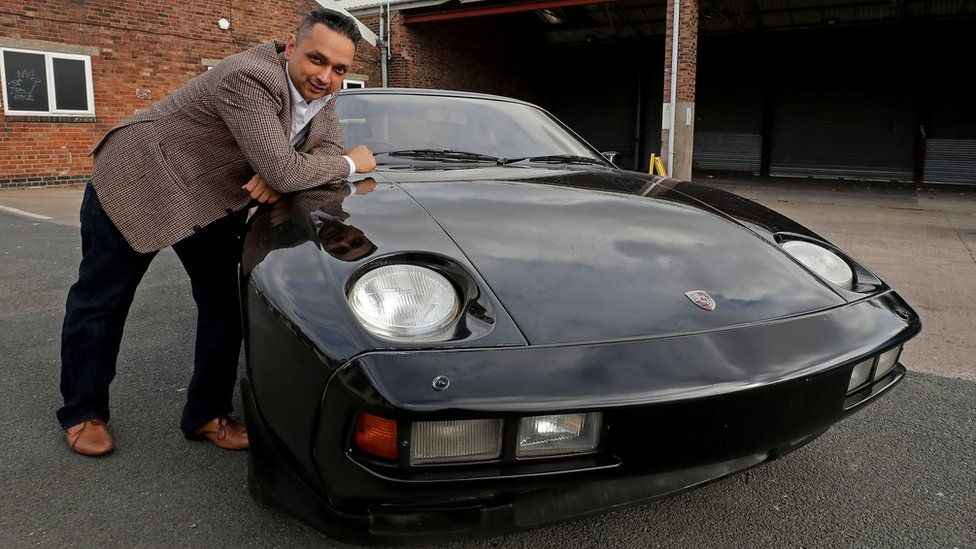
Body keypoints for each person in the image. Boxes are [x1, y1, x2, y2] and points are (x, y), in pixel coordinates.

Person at [58, 8, 376, 456]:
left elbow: (311, 157)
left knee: (225, 304)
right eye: (316, 60)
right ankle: (82, 412)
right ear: (290, 46)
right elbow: (317, 163)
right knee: (103, 300)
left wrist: (284, 170)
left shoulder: (322, 95)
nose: (326, 77)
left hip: (208, 197)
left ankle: (206, 413)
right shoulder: (248, 76)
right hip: (140, 177)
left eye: (339, 69)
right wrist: (347, 163)